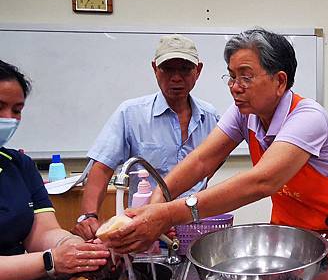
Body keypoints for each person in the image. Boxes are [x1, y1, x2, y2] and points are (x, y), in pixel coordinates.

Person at [102, 28, 328, 253]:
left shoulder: (309, 118)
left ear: (280, 81)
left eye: (245, 77)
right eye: (232, 76)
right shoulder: (244, 113)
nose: (235, 87)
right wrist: (157, 200)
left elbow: (261, 181)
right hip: (295, 238)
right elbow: (201, 160)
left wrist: (169, 215)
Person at [72, 34, 220, 240]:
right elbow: (102, 168)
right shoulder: (131, 114)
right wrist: (88, 216)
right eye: (168, 69)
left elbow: (212, 163)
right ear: (155, 69)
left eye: (185, 69)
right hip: (144, 227)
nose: (176, 77)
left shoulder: (210, 117)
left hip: (194, 227)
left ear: (198, 70)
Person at [0, 60, 110, 280]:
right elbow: (48, 259)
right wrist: (50, 261)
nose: (8, 119)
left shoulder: (20, 165)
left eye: (17, 110)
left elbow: (42, 232)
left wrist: (72, 246)